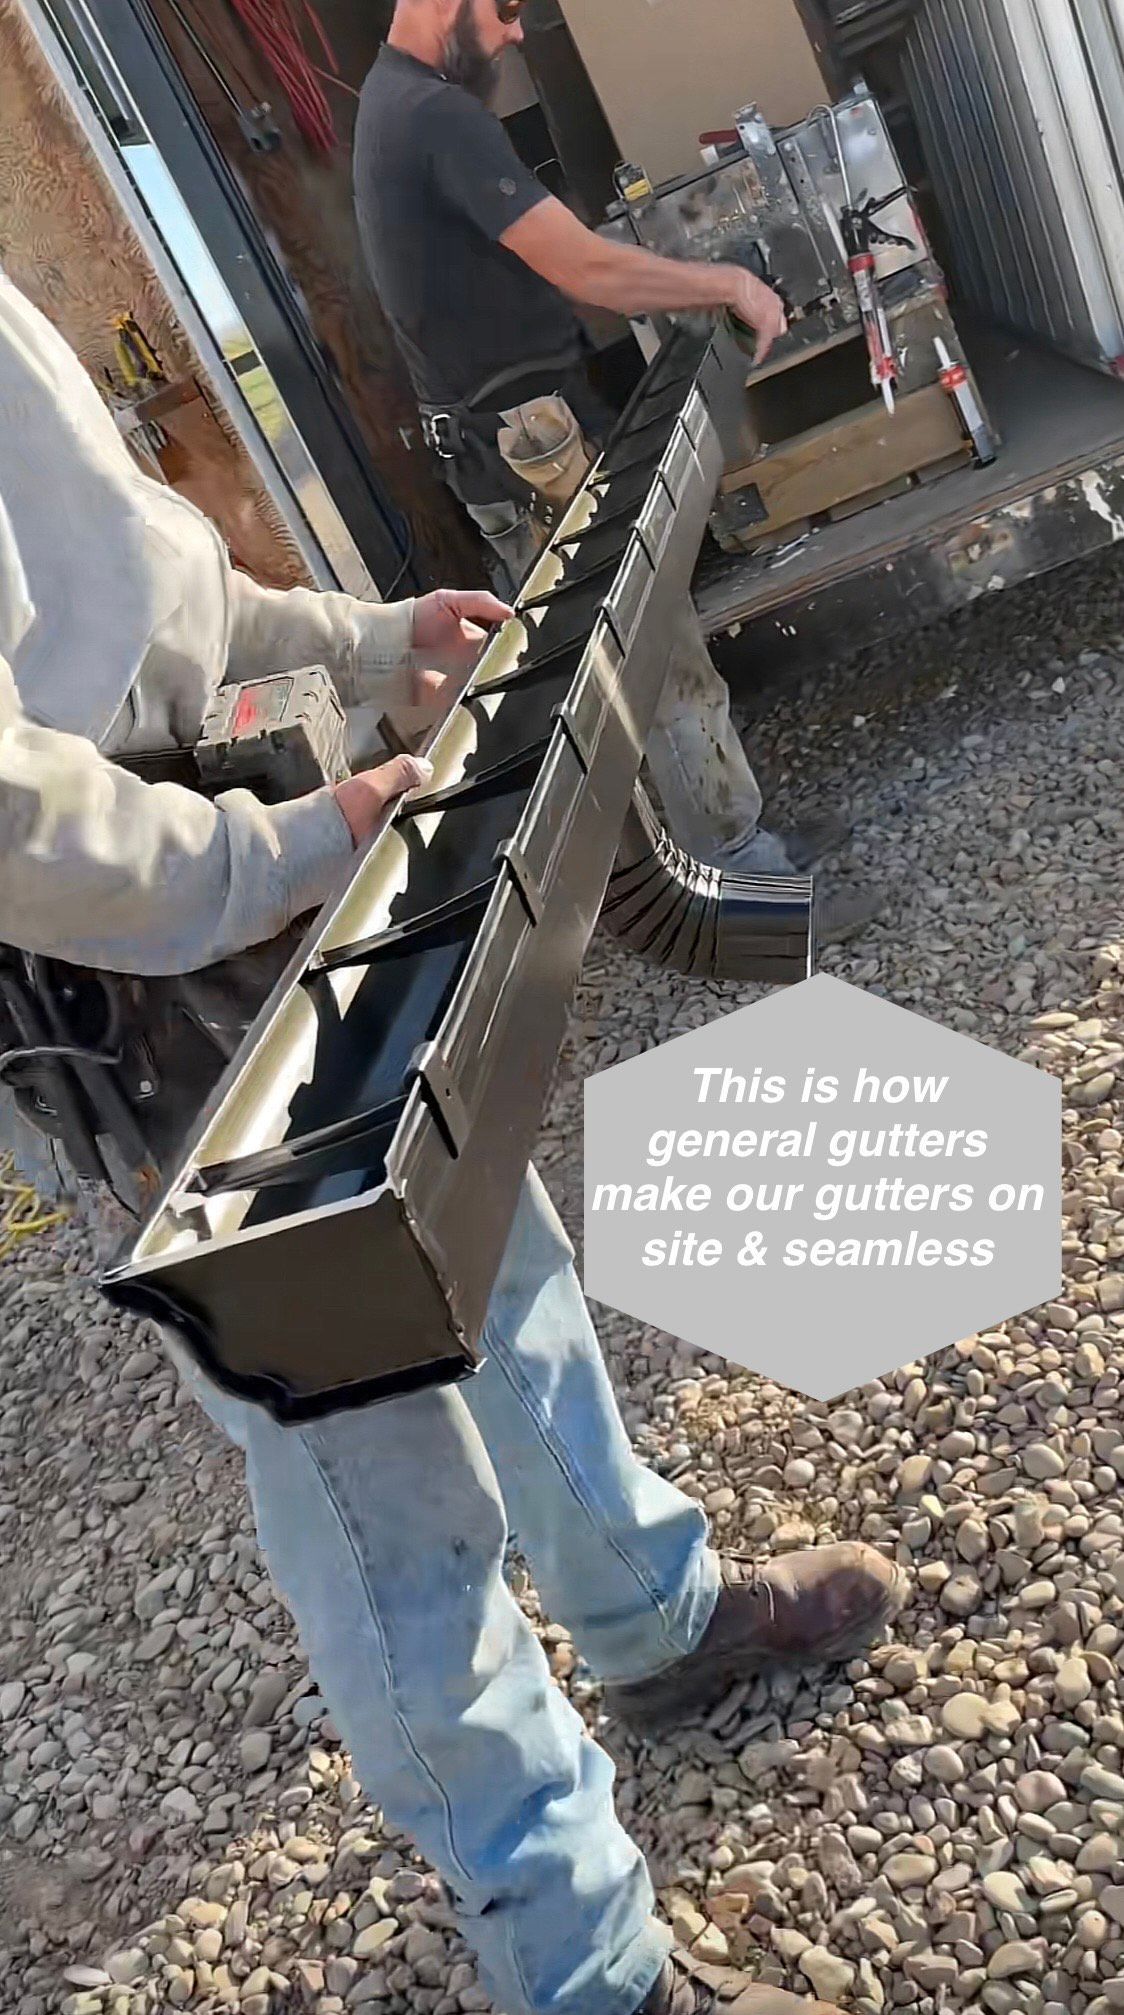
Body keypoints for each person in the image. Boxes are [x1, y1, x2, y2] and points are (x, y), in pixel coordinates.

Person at [0, 271, 908, 2015]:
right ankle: (582, 1966)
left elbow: (129, 584)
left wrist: (353, 642)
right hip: (137, 974)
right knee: (377, 1479)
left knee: (490, 1233)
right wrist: (258, 864)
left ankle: (650, 1625)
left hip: (253, 873)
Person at [353, 0, 880, 931]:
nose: (517, 34)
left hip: (515, 445)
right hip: (531, 451)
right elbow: (585, 268)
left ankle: (734, 843)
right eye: (508, 8)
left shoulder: (392, 108)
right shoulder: (434, 117)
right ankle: (743, 896)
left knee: (649, 647)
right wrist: (727, 282)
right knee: (656, 655)